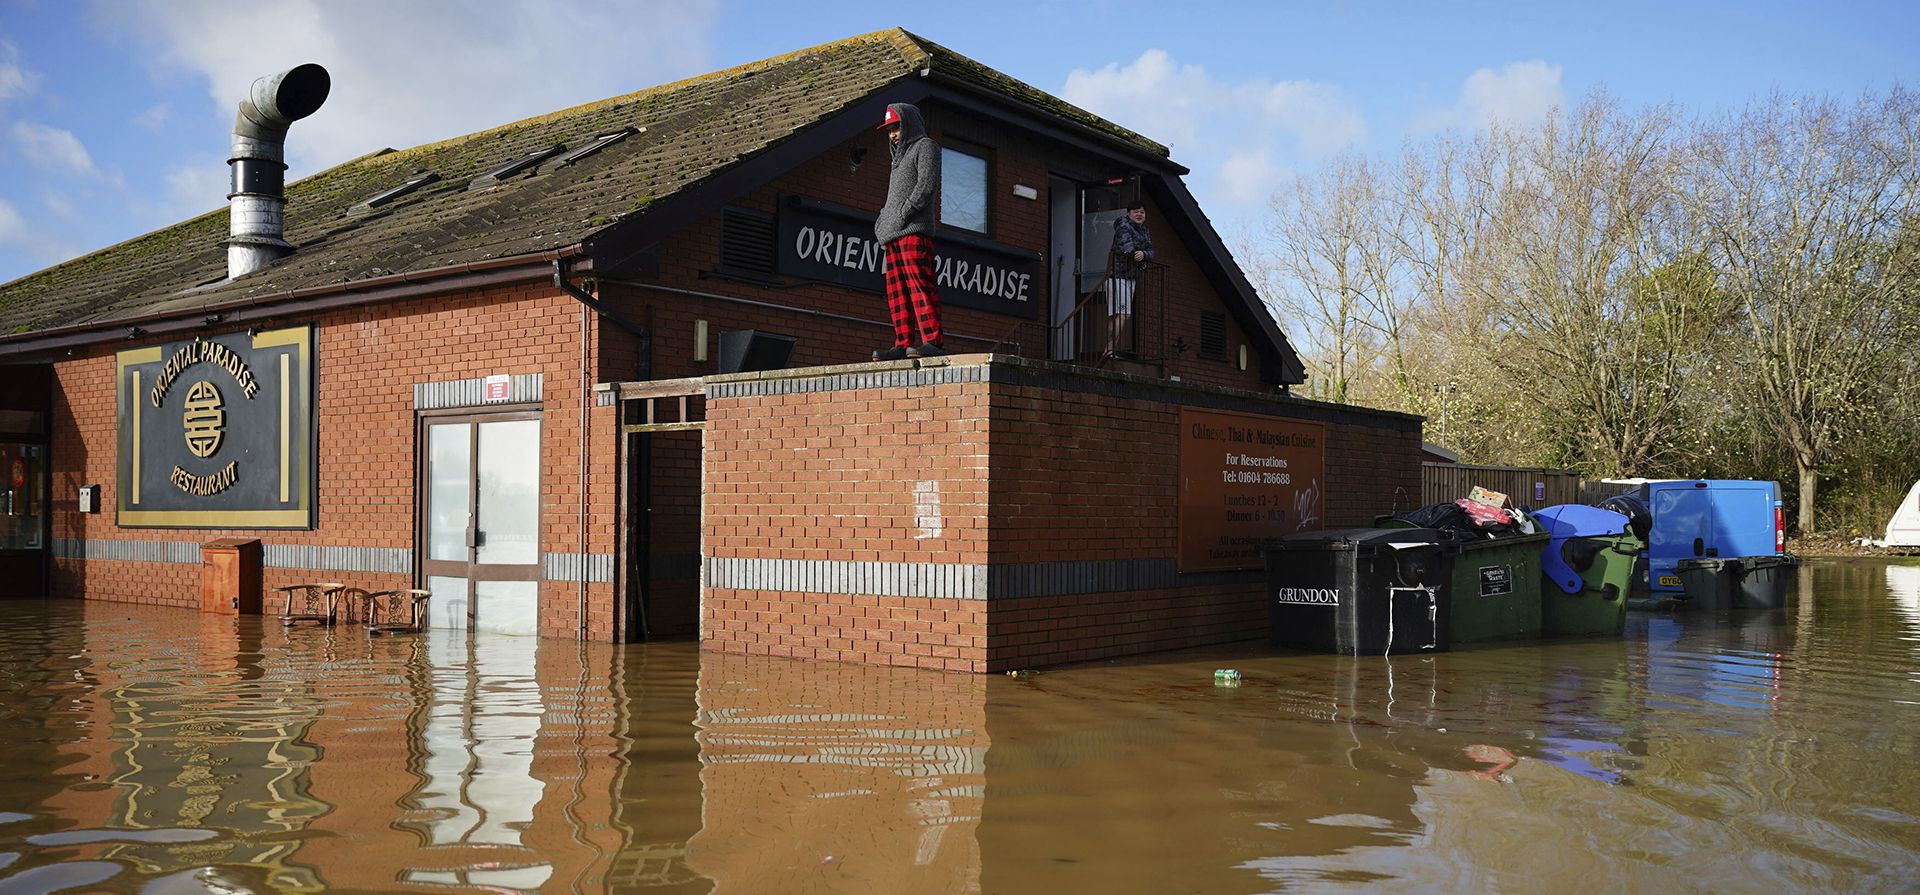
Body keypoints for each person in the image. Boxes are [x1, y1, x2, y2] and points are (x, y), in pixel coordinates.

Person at [871, 103, 947, 361]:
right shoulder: (896, 160)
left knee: (920, 284)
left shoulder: (926, 146)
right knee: (896, 292)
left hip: (914, 229)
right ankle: (902, 344)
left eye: (897, 127)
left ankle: (932, 341)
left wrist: (902, 214)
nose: (893, 134)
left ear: (909, 124)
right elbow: (892, 198)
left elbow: (925, 188)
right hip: (892, 233)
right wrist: (882, 222)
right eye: (890, 129)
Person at [1107, 201, 1153, 356]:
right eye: (1136, 212)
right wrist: (1139, 253)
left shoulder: (1144, 230)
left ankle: (1110, 349)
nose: (1139, 214)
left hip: (1132, 276)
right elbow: (1127, 248)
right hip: (1118, 275)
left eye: (1142, 212)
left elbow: (1151, 251)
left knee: (1121, 314)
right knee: (1124, 314)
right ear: (1129, 213)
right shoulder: (1123, 226)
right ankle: (1110, 348)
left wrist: (1144, 254)